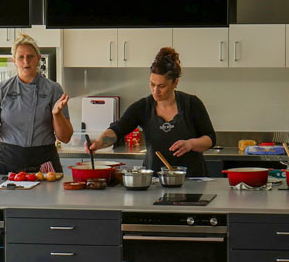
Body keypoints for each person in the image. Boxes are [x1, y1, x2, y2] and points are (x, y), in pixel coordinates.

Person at [88, 47, 215, 177]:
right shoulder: (143, 107)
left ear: (175, 82)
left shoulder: (191, 104)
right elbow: (118, 129)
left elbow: (210, 139)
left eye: (161, 86)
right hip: (154, 181)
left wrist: (191, 144)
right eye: (152, 84)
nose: (155, 91)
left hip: (192, 179)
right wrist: (97, 143)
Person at [0, 33, 72, 174]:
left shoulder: (54, 89)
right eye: (21, 57)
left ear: (38, 59)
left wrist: (57, 114)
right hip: (6, 160)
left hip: (43, 160)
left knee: (48, 196)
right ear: (14, 61)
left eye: (30, 56)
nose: (26, 62)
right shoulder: (1, 89)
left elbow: (65, 138)